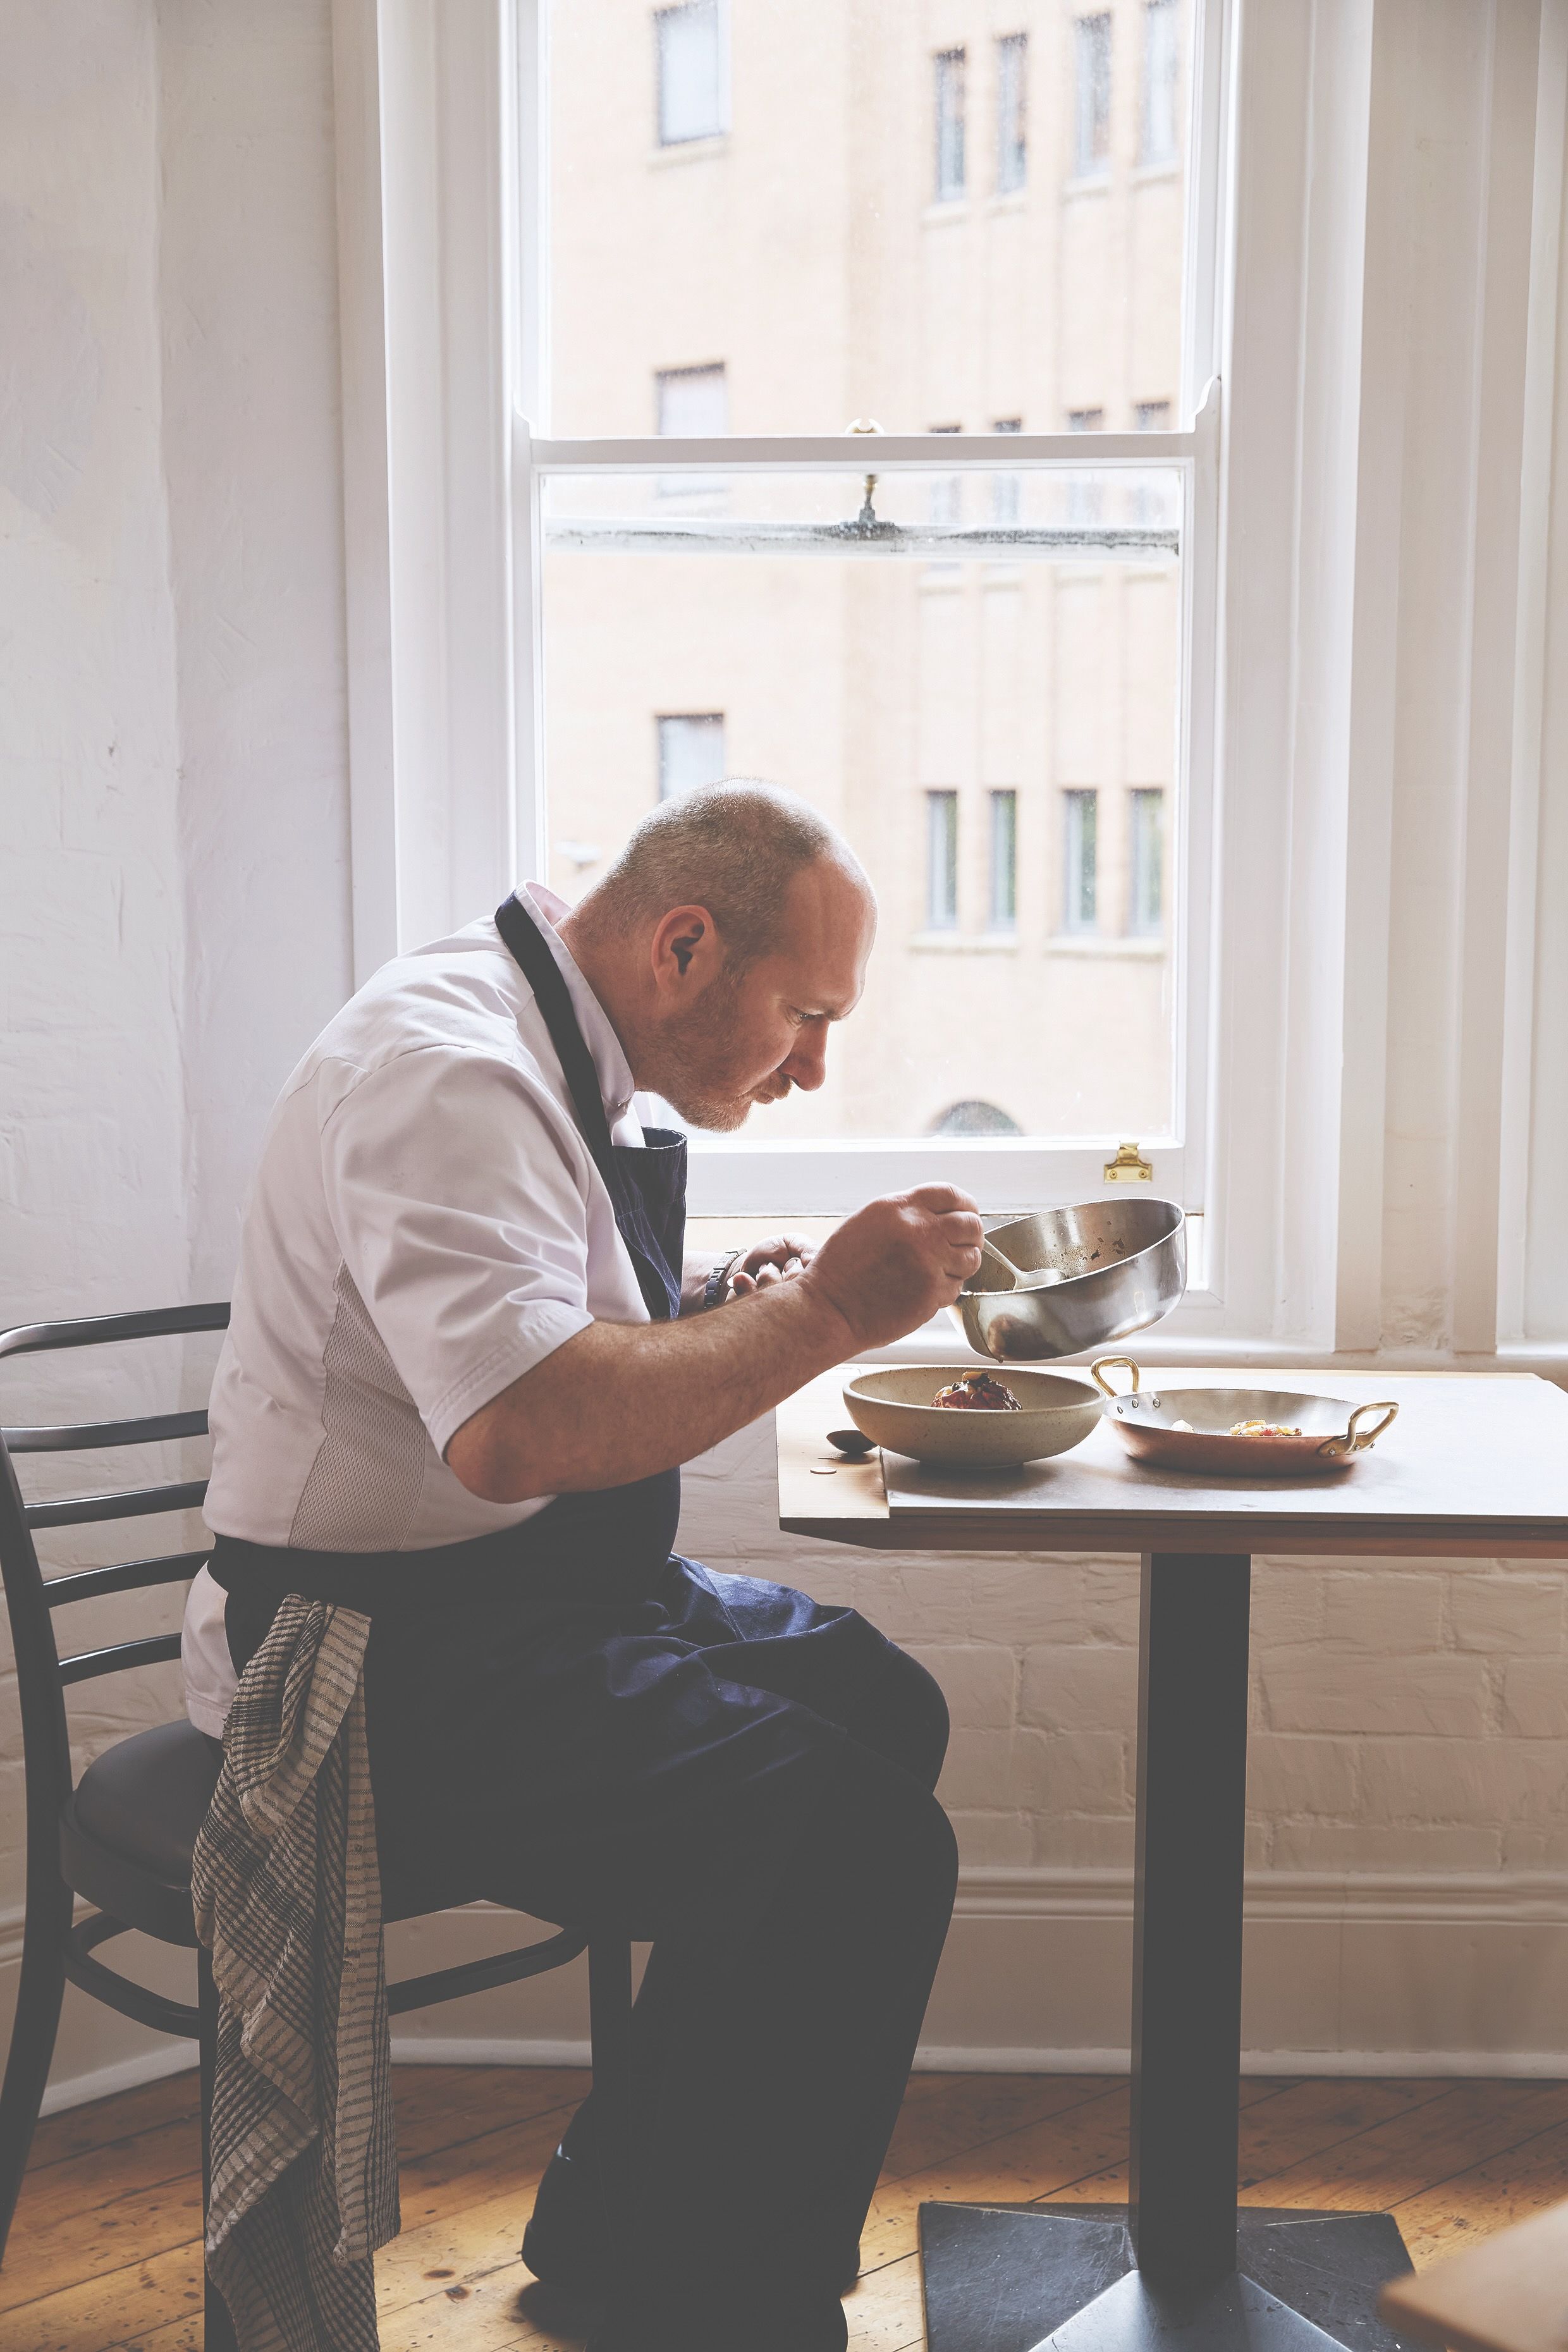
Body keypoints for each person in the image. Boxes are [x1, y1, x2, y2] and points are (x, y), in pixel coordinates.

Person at [181, 780, 984, 2352]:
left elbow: (532, 1311)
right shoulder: (447, 1067)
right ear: (684, 944)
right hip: (360, 1659)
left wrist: (699, 1294)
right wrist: (822, 1313)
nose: (814, 1068)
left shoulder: (554, 1041)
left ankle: (630, 2230)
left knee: (875, 1706)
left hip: (520, 1605)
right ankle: (719, 2305)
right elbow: (519, 1431)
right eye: (802, 1018)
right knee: (859, 1846)